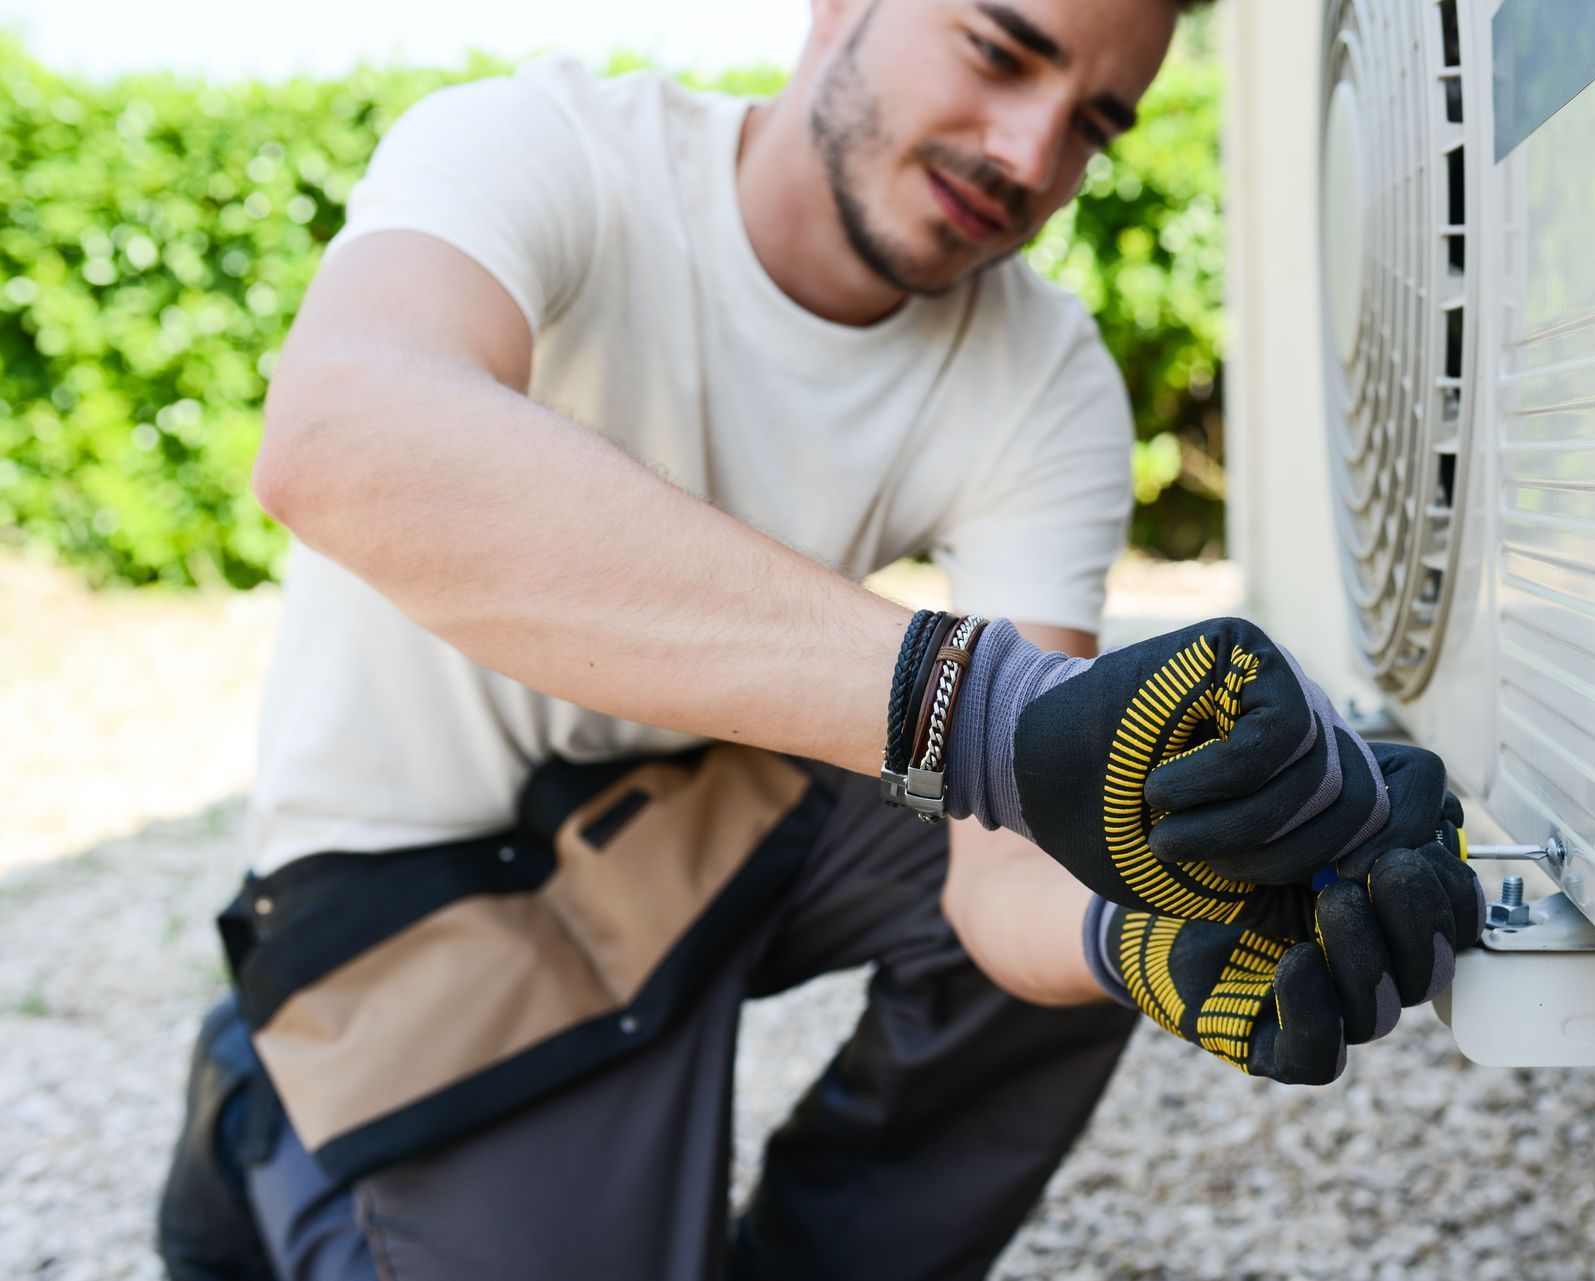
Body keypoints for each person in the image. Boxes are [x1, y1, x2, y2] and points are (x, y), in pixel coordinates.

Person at [156, 1, 1481, 1278]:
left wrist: (1147, 937)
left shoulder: (1038, 369)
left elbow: (1003, 865)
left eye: (1092, 125)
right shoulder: (544, 147)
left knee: (1140, 825)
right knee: (1027, 739)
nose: (1030, 157)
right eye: (1000, 50)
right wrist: (984, 713)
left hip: (695, 815)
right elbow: (340, 434)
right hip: (411, 883)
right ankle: (266, 1098)